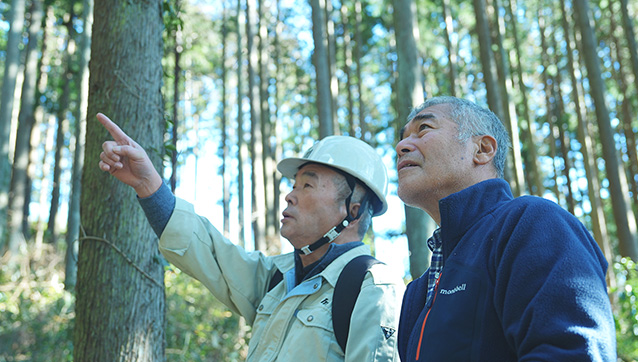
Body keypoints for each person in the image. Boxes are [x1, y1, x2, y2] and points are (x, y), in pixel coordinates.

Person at [96, 113, 405, 361]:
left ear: (352, 210)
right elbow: (206, 250)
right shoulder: (275, 278)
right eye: (293, 185)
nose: (289, 196)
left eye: (307, 186)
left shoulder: (372, 287)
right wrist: (148, 184)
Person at [394, 96, 616, 361]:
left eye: (424, 129)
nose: (401, 146)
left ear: (483, 149)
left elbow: (572, 353)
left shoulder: (533, 223)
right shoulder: (417, 292)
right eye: (403, 136)